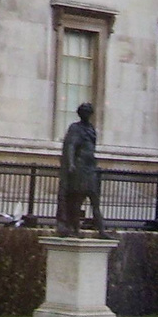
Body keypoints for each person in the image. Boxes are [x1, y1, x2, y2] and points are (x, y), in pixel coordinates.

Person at [57, 102, 107, 237]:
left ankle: (102, 231)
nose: (87, 114)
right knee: (77, 200)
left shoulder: (91, 129)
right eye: (84, 112)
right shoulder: (75, 128)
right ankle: (75, 230)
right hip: (80, 167)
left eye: (88, 112)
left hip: (90, 167)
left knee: (94, 199)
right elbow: (71, 146)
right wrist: (71, 164)